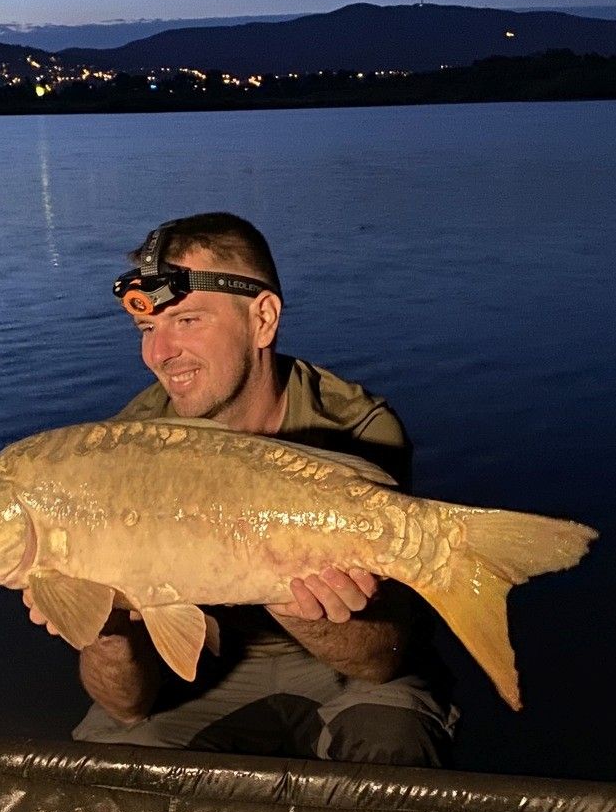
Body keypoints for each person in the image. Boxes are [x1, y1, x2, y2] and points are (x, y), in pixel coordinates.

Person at [25, 212, 455, 766]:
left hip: (339, 663)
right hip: (202, 666)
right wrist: (103, 627)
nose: (159, 354)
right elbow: (128, 705)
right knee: (113, 761)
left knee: (393, 739)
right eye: (148, 330)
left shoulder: (354, 428)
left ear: (263, 320)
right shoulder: (121, 454)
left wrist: (290, 594)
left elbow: (381, 660)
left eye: (187, 321)